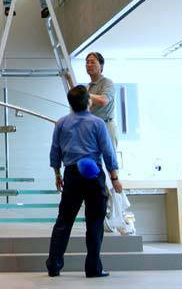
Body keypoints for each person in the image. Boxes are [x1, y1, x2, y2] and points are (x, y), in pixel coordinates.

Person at [46, 85, 122, 278]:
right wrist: (114, 178)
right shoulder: (98, 123)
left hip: (72, 174)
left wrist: (57, 175)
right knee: (95, 222)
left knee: (64, 221)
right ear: (88, 101)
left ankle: (54, 265)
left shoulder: (61, 123)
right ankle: (93, 268)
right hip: (93, 174)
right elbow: (108, 152)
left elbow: (55, 151)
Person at [85, 52, 118, 148]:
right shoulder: (88, 86)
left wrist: (84, 94)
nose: (89, 65)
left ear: (101, 65)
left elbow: (103, 101)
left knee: (109, 160)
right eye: (87, 62)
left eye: (92, 62)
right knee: (94, 160)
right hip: (91, 127)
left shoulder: (108, 83)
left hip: (106, 125)